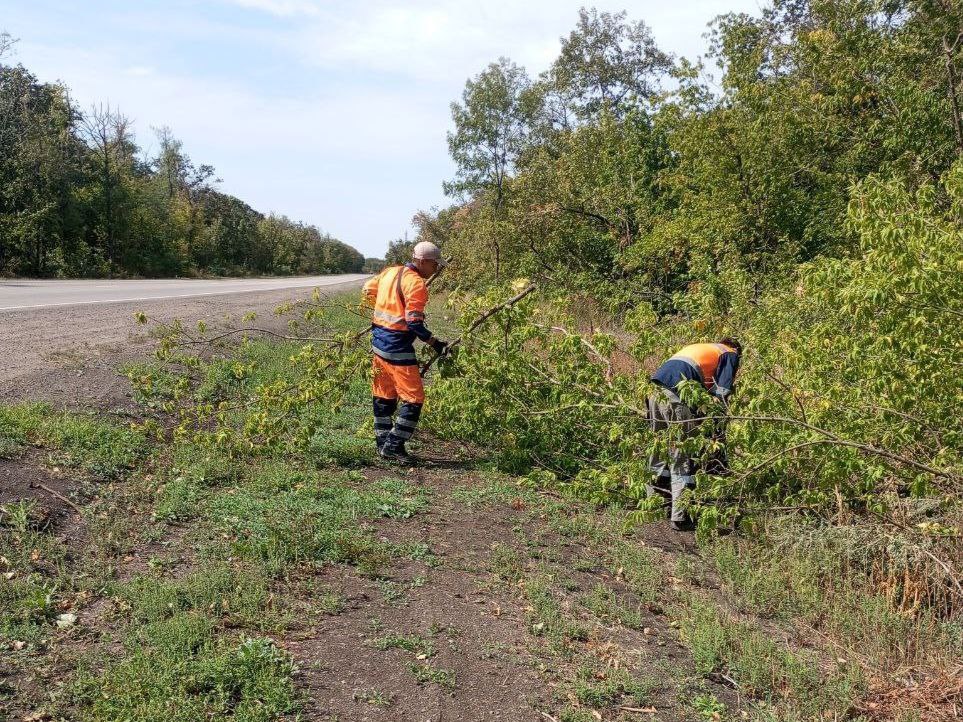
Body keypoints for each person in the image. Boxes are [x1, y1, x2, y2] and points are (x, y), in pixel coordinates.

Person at [362, 241, 449, 464]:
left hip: (378, 344)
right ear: (422, 261)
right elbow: (414, 324)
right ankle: (392, 446)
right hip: (397, 348)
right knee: (414, 399)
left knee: (384, 395)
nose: (436, 269)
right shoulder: (416, 284)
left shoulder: (389, 272)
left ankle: (382, 444)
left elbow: (367, 290)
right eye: (434, 265)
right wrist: (435, 343)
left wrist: (384, 306)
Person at [647, 338, 742, 530]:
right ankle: (680, 518)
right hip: (676, 396)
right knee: (681, 455)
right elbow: (721, 393)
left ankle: (653, 504)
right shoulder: (729, 353)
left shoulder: (703, 348)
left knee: (658, 449)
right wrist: (716, 430)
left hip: (654, 391)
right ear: (737, 350)